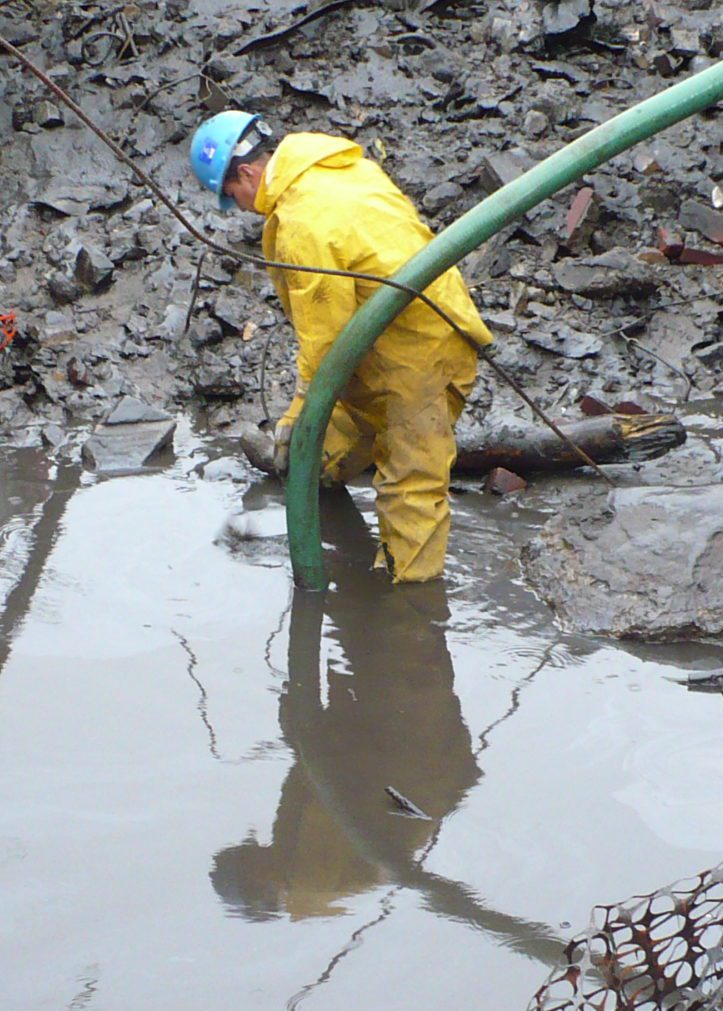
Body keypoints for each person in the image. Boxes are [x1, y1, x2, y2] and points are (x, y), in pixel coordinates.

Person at [189, 110, 493, 583]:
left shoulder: (305, 222)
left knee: (411, 487)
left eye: (233, 197)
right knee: (319, 457)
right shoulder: (334, 166)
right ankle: (324, 488)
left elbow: (323, 340)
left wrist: (294, 415)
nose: (242, 208)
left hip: (423, 357)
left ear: (246, 173)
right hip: (379, 350)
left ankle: (408, 613)